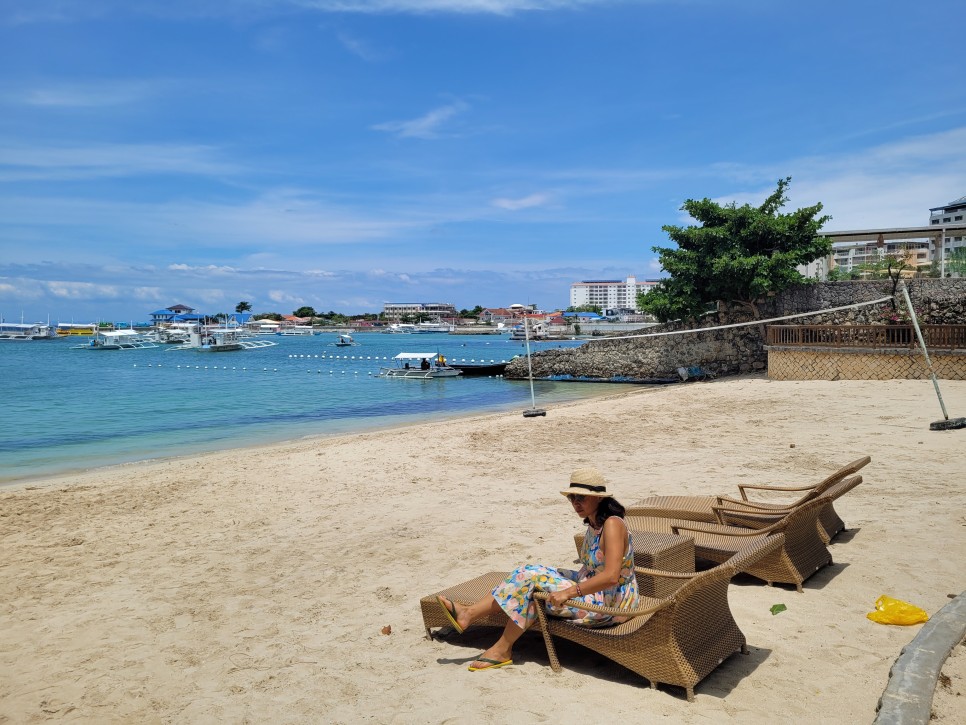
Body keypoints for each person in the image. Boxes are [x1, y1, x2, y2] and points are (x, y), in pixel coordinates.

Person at [435, 468, 638, 671]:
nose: (576, 503)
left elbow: (611, 576)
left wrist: (567, 592)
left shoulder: (612, 524)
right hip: (591, 587)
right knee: (528, 571)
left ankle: (487, 634)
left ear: (599, 498)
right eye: (572, 498)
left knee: (530, 587)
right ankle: (477, 623)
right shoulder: (594, 523)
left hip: (612, 603)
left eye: (582, 497)